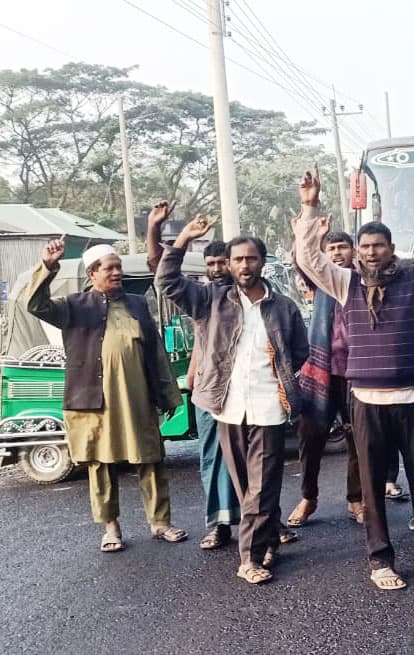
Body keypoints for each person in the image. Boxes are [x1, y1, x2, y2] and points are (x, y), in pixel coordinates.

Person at [293, 167, 414, 591]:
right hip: (367, 401)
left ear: (391, 248)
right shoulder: (343, 283)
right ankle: (380, 560)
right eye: (365, 246)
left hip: (413, 398)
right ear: (357, 252)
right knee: (372, 488)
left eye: (379, 245)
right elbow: (307, 259)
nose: (371, 252)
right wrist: (309, 205)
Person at [159, 217, 307, 584]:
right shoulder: (210, 300)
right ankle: (269, 539)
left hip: (270, 407)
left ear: (262, 262)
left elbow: (300, 352)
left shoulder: (284, 307)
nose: (245, 265)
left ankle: (249, 558)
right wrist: (182, 240)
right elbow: (166, 282)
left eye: (251, 258)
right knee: (245, 487)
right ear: (227, 263)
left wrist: (282, 377)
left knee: (263, 485)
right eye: (237, 259)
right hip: (228, 406)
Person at [26, 239, 186, 553]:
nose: (117, 272)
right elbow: (35, 305)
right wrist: (48, 266)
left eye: (118, 267)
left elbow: (155, 353)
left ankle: (160, 522)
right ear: (93, 273)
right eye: (109, 268)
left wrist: (166, 396)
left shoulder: (137, 304)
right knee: (100, 464)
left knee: (150, 459)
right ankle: (111, 527)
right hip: (92, 402)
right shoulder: (73, 306)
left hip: (136, 398)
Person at [144, 201, 241, 550]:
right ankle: (219, 524)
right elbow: (164, 275)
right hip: (211, 389)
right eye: (211, 263)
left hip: (249, 390)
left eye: (223, 262)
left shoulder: (255, 294)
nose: (217, 269)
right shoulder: (202, 297)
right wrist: (179, 235)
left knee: (255, 457)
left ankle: (265, 522)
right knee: (213, 458)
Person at [288, 230, 364, 527]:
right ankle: (309, 497)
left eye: (341, 247)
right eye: (330, 248)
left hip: (357, 372)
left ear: (353, 251)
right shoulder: (320, 278)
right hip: (319, 370)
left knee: (358, 437)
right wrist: (302, 233)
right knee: (310, 436)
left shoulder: (362, 280)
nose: (336, 253)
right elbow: (301, 261)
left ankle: (356, 499)